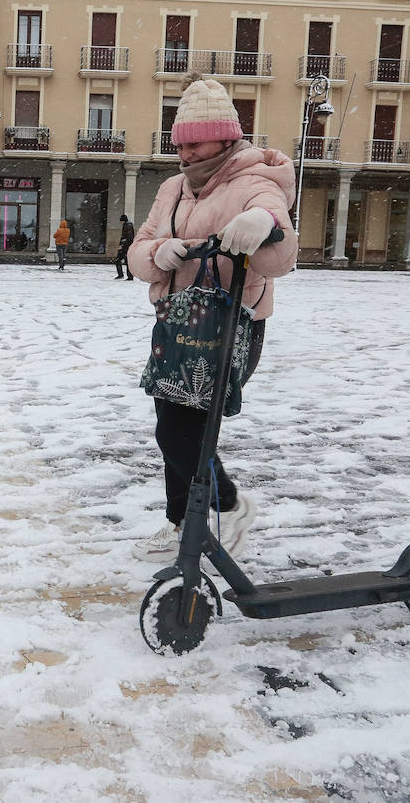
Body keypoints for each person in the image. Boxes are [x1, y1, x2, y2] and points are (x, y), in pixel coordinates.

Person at [126, 71, 298, 563]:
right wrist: (160, 253)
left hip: (229, 325)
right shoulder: (173, 189)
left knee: (185, 429)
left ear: (226, 137)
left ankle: (228, 506)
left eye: (196, 146)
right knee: (169, 423)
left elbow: (281, 256)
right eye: (180, 146)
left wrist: (264, 225)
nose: (185, 156)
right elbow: (139, 250)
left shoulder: (255, 181)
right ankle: (183, 522)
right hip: (178, 323)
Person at [113, 214, 135, 280]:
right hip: (126, 247)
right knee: (126, 261)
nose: (120, 222)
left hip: (126, 247)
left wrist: (122, 246)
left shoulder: (128, 225)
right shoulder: (127, 225)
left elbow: (128, 238)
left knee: (120, 260)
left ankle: (125, 276)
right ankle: (127, 276)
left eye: (121, 220)